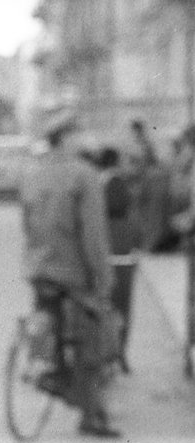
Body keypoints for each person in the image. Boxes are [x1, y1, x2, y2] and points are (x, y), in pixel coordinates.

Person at [20, 106, 120, 438]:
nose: (85, 138)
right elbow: (93, 234)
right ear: (66, 137)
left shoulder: (33, 173)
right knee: (94, 337)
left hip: (40, 269)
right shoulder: (83, 174)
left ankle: (49, 370)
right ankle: (90, 414)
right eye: (79, 132)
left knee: (50, 321)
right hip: (74, 273)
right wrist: (103, 276)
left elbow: (28, 226)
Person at [95, 146, 143, 372]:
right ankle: (119, 354)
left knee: (104, 307)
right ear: (114, 162)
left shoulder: (95, 183)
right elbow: (128, 217)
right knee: (122, 308)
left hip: (103, 254)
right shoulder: (116, 184)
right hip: (120, 254)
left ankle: (107, 355)